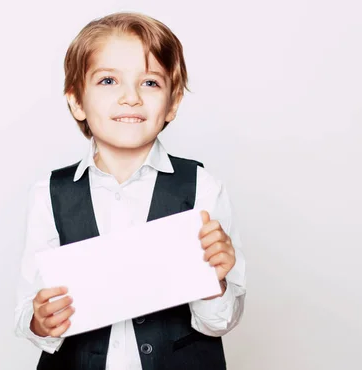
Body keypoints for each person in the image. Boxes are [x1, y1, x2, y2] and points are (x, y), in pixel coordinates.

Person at [14, 11, 246, 370]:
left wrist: (215, 278)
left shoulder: (203, 188)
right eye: (108, 81)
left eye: (150, 83)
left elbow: (219, 322)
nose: (131, 97)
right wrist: (40, 320)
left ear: (172, 103)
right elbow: (30, 315)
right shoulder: (49, 193)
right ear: (76, 101)